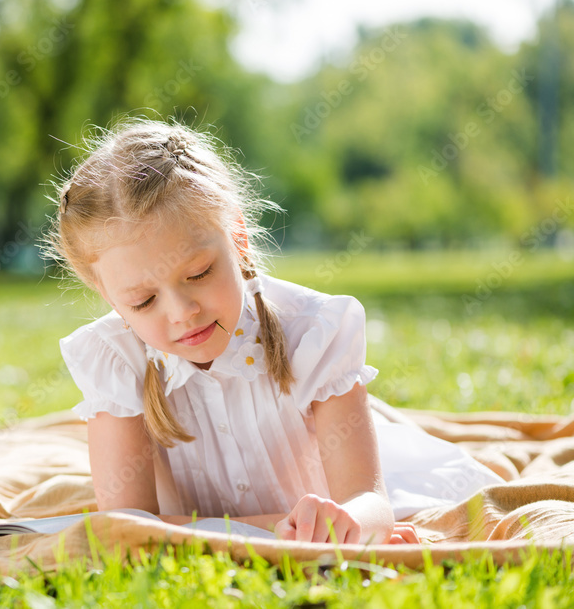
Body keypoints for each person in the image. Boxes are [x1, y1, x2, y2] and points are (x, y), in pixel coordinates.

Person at [42, 118, 503, 545]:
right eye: (143, 301)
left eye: (199, 272)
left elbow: (370, 502)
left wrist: (350, 521)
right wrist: (274, 528)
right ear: (108, 298)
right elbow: (126, 527)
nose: (182, 312)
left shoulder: (314, 332)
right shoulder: (116, 361)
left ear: (237, 239)